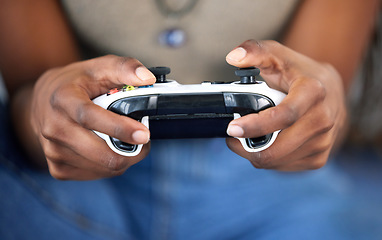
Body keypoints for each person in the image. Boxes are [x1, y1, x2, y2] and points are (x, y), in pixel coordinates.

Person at [0, 0, 381, 239]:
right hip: (80, 179)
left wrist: (324, 105)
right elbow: (40, 104)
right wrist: (41, 111)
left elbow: (313, 113)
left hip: (265, 180)